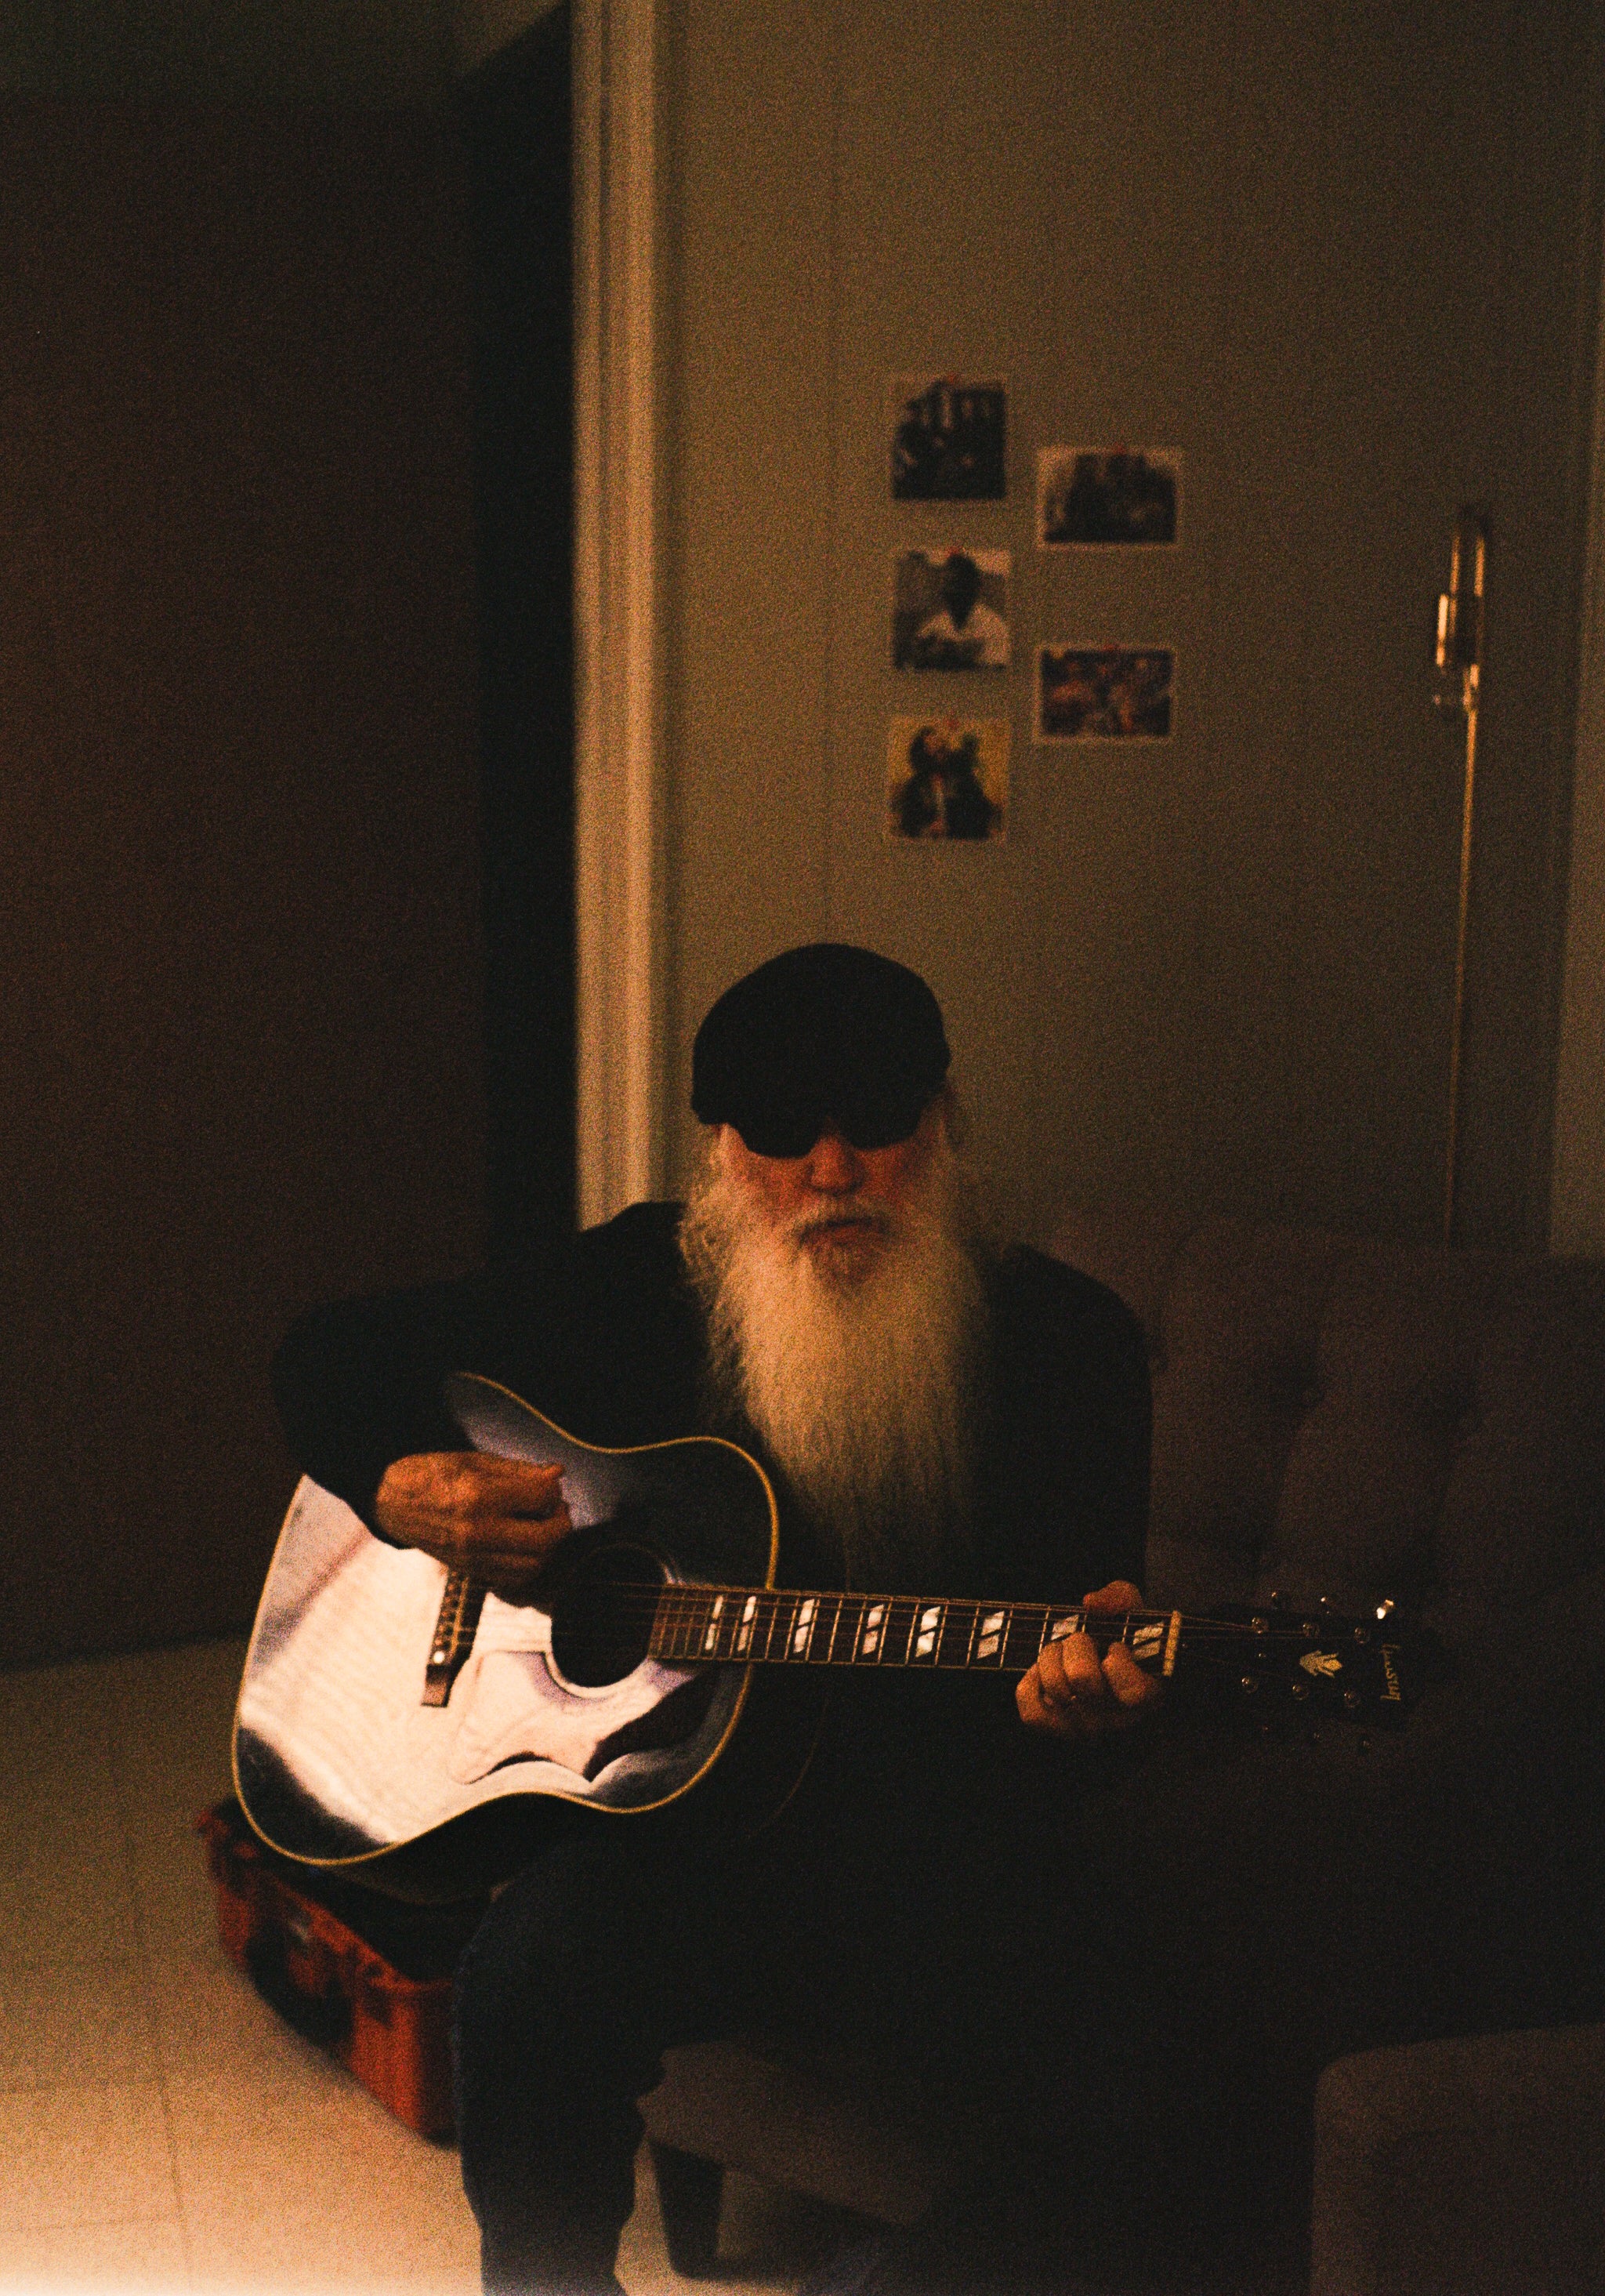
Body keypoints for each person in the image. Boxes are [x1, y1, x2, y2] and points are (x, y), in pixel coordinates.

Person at [271, 944, 1158, 2296]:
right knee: (529, 1967)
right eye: (782, 1128)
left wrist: (1085, 1703)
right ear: (724, 1152)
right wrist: (401, 1487)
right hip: (695, 1838)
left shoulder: (1071, 1344)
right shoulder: (636, 1286)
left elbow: (1096, 1676)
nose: (832, 1167)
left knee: (1149, 2100)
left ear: (942, 1121)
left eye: (875, 1119)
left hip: (952, 1848)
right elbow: (323, 1354)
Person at [908, 553, 1009, 670]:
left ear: (973, 588)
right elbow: (914, 661)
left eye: (956, 584)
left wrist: (952, 656)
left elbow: (997, 670)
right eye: (946, 584)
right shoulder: (936, 624)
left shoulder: (994, 626)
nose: (949, 591)